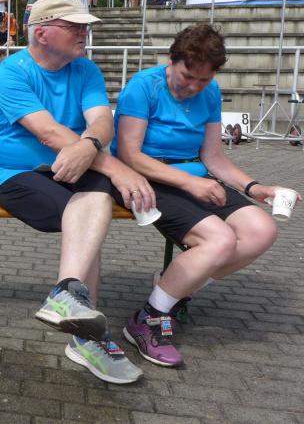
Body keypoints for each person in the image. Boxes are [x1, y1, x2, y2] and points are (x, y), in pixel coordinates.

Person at [0, 0, 153, 384]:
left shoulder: (85, 69)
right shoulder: (12, 71)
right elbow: (46, 132)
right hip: (16, 174)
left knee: (95, 206)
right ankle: (86, 336)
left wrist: (90, 145)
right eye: (74, 26)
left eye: (85, 26)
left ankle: (69, 300)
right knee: (91, 215)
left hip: (77, 164)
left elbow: (103, 123)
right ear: (42, 33)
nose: (84, 33)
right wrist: (114, 166)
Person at [112, 24, 295, 368]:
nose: (195, 87)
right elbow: (129, 155)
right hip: (147, 177)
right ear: (172, 60)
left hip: (194, 176)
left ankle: (175, 287)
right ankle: (149, 318)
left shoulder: (210, 92)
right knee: (220, 240)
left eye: (204, 79)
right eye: (187, 76)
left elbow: (213, 157)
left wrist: (255, 188)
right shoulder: (143, 86)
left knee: (262, 230)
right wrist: (188, 182)